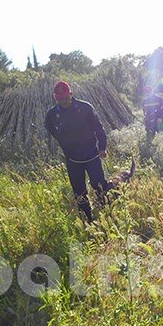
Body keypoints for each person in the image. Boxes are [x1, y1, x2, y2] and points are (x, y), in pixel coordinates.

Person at [44, 80, 109, 224]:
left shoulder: (86, 108)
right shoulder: (52, 114)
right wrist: (63, 141)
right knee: (79, 192)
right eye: (60, 99)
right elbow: (50, 128)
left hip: (92, 155)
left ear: (71, 94)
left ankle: (107, 213)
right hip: (73, 159)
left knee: (99, 185)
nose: (64, 102)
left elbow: (99, 128)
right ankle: (88, 220)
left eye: (66, 98)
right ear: (56, 98)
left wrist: (102, 148)